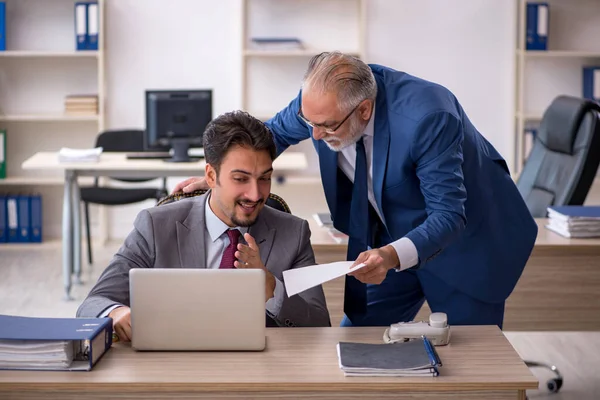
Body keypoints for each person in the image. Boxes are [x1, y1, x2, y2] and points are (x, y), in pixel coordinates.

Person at [173, 51, 538, 329]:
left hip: (468, 245)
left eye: (326, 126)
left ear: (364, 110)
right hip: (392, 239)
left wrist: (392, 256)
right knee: (354, 340)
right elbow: (268, 137)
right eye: (308, 121)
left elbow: (447, 214)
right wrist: (215, 180)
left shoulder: (428, 117)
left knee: (476, 370)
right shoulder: (319, 103)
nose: (313, 135)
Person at [77, 111, 331, 341]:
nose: (255, 194)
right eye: (241, 179)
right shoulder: (155, 226)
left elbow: (320, 325)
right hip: (174, 368)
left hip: (258, 374)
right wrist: (117, 312)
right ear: (210, 176)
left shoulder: (293, 233)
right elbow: (92, 304)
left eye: (264, 178)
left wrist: (272, 289)